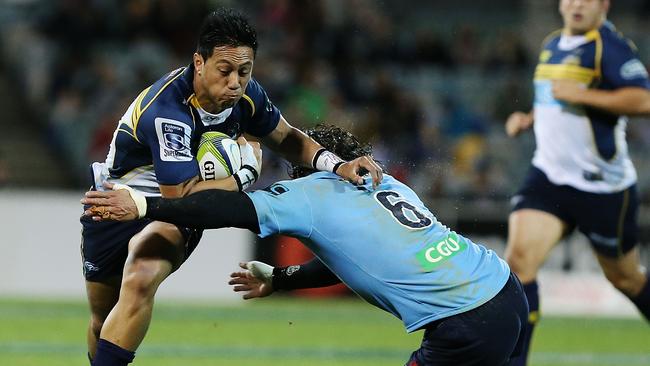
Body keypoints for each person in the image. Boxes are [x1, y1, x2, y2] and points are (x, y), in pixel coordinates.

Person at [82, 124, 529, 366]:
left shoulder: (307, 192)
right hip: (504, 291)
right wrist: (280, 279)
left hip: (464, 324)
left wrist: (145, 205)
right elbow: (355, 258)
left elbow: (220, 210)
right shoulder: (383, 180)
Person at [80, 9, 382, 366]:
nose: (236, 83)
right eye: (225, 71)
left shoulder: (247, 95)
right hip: (115, 202)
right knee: (102, 317)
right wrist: (243, 177)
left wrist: (337, 163)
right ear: (199, 63)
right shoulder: (168, 112)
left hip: (172, 210)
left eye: (245, 71)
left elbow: (284, 137)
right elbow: (183, 192)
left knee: (142, 273)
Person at [504, 0, 650, 364]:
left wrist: (582, 94)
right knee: (519, 267)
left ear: (604, 5)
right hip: (549, 177)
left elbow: (644, 99)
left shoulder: (609, 47)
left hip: (601, 187)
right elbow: (553, 99)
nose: (577, 5)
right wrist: (530, 118)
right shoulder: (552, 43)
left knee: (627, 279)